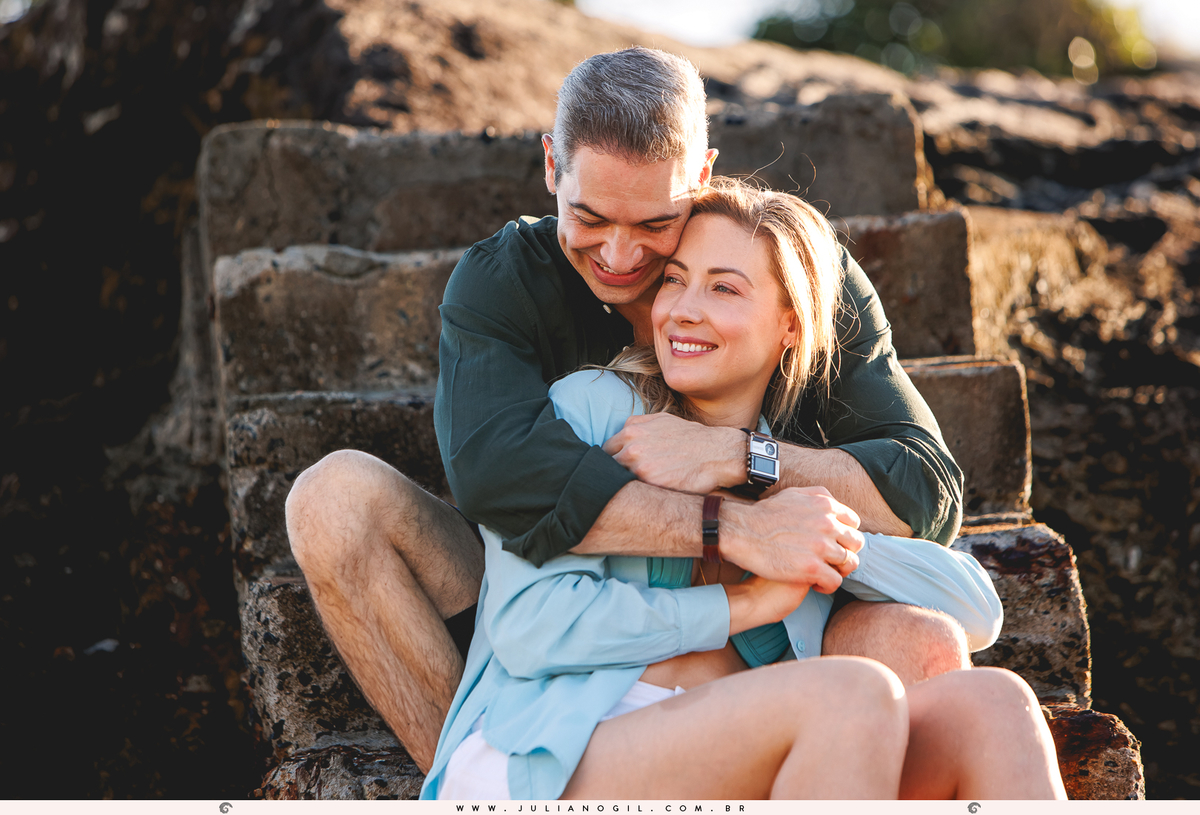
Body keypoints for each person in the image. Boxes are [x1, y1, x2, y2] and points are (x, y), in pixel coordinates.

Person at [285, 47, 967, 775]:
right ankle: (482, 776)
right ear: (552, 166)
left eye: (654, 223)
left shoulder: (788, 266)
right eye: (589, 216)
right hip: (555, 593)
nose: (618, 254)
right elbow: (497, 477)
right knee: (333, 500)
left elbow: (927, 491)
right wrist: (733, 528)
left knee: (925, 649)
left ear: (702, 175)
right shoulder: (504, 280)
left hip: (778, 614)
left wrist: (744, 458)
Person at [419, 178, 1065, 800]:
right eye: (675, 280)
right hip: (553, 751)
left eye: (724, 288)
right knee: (851, 694)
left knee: (996, 703)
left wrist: (779, 512)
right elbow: (529, 628)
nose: (683, 309)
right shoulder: (593, 409)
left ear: (790, 325)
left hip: (733, 750)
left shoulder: (785, 463)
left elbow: (978, 610)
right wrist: (744, 602)